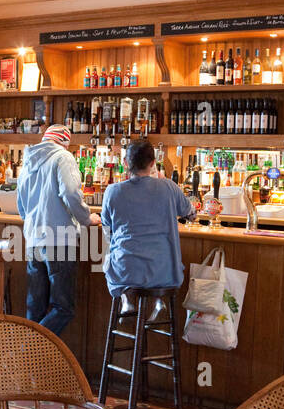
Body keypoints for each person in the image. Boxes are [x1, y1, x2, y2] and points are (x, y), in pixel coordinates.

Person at [15, 124, 99, 334]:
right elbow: (71, 193)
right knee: (63, 308)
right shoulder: (63, 157)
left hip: (34, 239)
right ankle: (30, 349)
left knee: (35, 308)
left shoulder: (29, 160)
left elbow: (20, 203)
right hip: (60, 239)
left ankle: (30, 363)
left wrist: (32, 224)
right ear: (65, 142)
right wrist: (86, 219)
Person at [101, 139, 197, 306]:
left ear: (125, 163)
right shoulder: (169, 187)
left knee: (111, 259)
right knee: (159, 259)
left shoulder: (113, 191)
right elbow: (191, 214)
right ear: (153, 163)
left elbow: (107, 228)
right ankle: (159, 300)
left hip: (127, 271)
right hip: (165, 273)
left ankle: (126, 296)